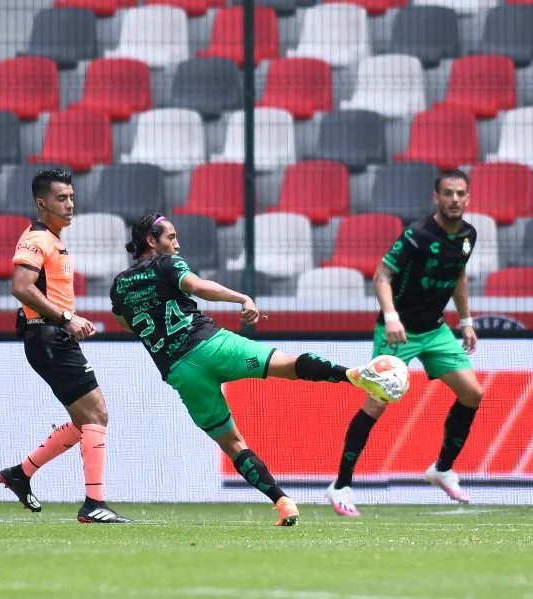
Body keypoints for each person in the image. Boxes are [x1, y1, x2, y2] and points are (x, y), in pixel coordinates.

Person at [109, 212, 405, 526]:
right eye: (171, 238)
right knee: (289, 365)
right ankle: (353, 375)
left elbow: (124, 322)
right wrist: (241, 297)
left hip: (182, 372)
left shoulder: (119, 286)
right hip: (214, 347)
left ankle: (283, 502)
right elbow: (197, 286)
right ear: (151, 241)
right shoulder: (167, 264)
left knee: (233, 444)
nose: (177, 245)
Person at [326, 169, 483, 517]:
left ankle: (442, 469)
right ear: (436, 197)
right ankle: (341, 486)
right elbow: (382, 275)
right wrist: (391, 315)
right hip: (398, 331)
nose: (454, 199)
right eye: (448, 193)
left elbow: (458, 274)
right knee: (376, 404)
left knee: (472, 393)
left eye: (460, 194)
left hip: (436, 330)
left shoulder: (469, 235)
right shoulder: (417, 235)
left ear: (467, 198)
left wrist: (467, 321)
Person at [0, 168, 131, 524]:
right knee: (97, 414)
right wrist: (65, 319)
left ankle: (20, 473)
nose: (70, 204)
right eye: (61, 198)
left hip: (52, 335)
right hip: (48, 336)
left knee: (83, 420)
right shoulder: (36, 240)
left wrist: (67, 318)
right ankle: (94, 503)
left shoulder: (52, 239)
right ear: (41, 204)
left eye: (71, 197)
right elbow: (22, 287)